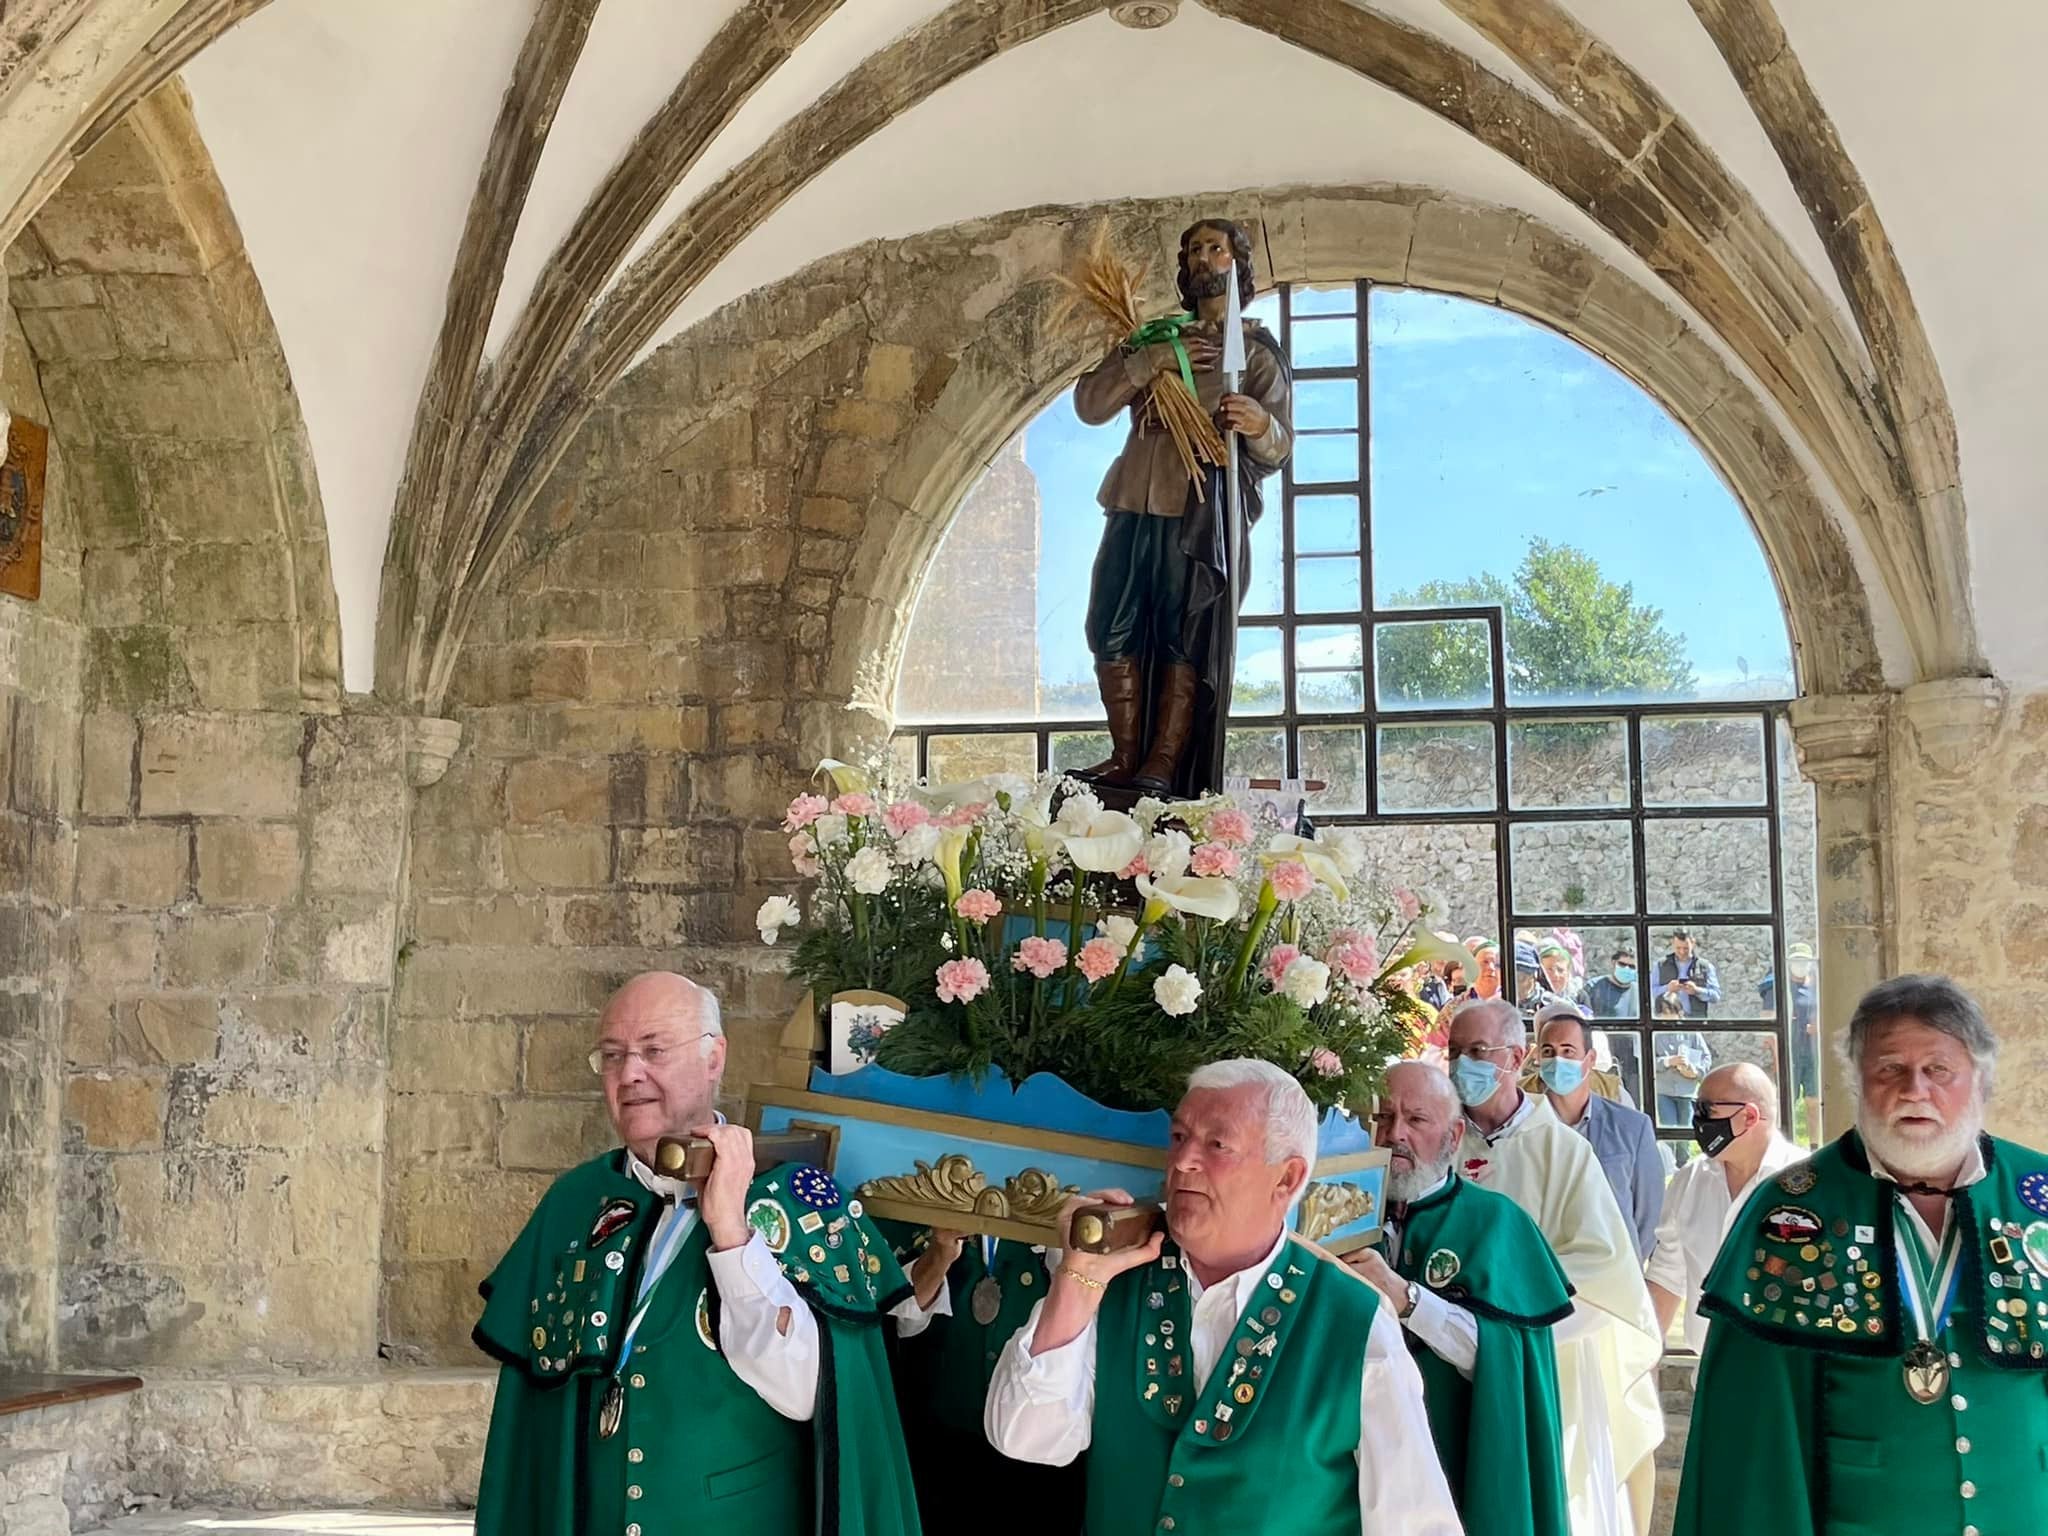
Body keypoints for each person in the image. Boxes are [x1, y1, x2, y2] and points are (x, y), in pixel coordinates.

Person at [473, 972, 929, 1536]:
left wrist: (732, 1234)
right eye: (612, 1056)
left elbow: (811, 1397)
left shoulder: (798, 1197)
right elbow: (530, 1430)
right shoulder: (573, 1203)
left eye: (654, 1050)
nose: (630, 1073)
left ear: (714, 1058)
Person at [985, 1059, 1460, 1534]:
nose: (1184, 1161)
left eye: (1217, 1144)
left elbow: (1417, 1523)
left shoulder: (1353, 1321)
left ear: (1287, 1178)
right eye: (1178, 1138)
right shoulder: (1115, 1278)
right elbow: (1026, 1438)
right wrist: (1074, 1280)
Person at [1673, 975, 2048, 1535]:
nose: (1914, 1089)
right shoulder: (1786, 1214)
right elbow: (1751, 1452)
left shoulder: (2036, 1196)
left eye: (1938, 1069)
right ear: (1857, 1080)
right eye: (1889, 1068)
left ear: (1980, 1079)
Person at [1071, 218, 1293, 796]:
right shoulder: (1151, 338)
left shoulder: (1255, 351)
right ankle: (1125, 754)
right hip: (1133, 499)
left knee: (1182, 632)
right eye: (1194, 250)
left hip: (1198, 509)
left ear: (1237, 263)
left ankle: (1164, 761)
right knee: (1108, 622)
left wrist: (1259, 423)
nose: (1203, 259)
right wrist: (1154, 365)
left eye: (1215, 249)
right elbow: (1091, 404)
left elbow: (1279, 445)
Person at [1447, 999, 1664, 1536]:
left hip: (1545, 1362)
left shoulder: (1563, 1151)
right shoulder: (1441, 1141)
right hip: (1442, 1353)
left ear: (1516, 1057)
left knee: (1550, 1499)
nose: (1461, 1066)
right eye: (1454, 1053)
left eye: (1477, 1052)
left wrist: (1496, 1312)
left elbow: (1603, 1265)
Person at [1350, 1062, 1572, 1535]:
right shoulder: (1337, 1216)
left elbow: (1502, 1359)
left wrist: (1408, 1299)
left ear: (1453, 1137)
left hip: (1462, 1447)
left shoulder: (1496, 1223)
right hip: (1359, 1452)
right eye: (1383, 1118)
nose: (1395, 1135)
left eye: (1416, 1119)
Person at [885, 1229, 1083, 1527]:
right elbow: (904, 1321)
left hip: (1038, 1453)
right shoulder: (935, 1203)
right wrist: (939, 1256)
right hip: (944, 1441)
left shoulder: (1065, 1215)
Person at [1644, 1062, 1799, 1355]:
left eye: (1707, 1111)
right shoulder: (1688, 1182)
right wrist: (1643, 1361)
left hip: (1788, 1376)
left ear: (1749, 1116)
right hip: (1708, 1370)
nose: (1697, 1121)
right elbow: (1667, 1276)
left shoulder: (1806, 1186)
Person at [1533, 1004, 1664, 1259]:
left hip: (1614, 1278)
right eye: (1548, 1051)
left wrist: (1628, 1267)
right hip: (1543, 1275)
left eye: (1568, 1051)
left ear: (1590, 1059)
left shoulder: (1632, 1128)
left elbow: (1650, 1219)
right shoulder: (1523, 1124)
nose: (1557, 1060)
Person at [1760, 942, 1821, 1144]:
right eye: (1796, 961)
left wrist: (1819, 1027)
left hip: (1812, 1051)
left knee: (1814, 1101)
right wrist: (1778, 1056)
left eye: (1804, 961)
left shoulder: (1816, 987)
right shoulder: (1777, 989)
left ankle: (1815, 1147)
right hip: (1790, 1053)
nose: (1801, 965)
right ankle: (1782, 1145)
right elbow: (1768, 1025)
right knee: (1786, 1102)